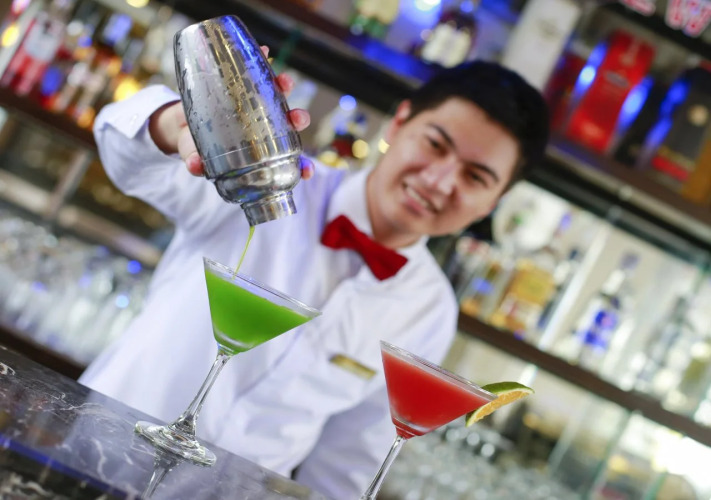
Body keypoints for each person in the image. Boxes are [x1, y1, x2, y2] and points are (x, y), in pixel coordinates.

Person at [79, 49, 549, 498]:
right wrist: (176, 125)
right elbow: (125, 154)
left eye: (475, 177)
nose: (439, 181)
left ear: (494, 202)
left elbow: (347, 463)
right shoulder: (270, 177)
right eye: (435, 144)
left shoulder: (431, 311)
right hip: (94, 455)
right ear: (399, 122)